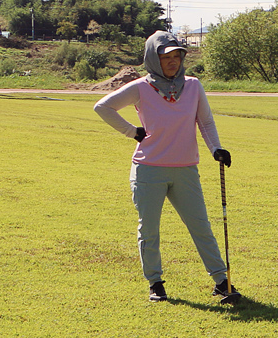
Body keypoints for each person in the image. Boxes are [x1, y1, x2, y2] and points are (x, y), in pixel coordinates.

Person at [94, 31, 238, 304]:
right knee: (149, 229)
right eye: (166, 57)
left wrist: (216, 149)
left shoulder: (193, 85)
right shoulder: (140, 87)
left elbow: (205, 122)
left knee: (200, 226)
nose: (172, 62)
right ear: (153, 58)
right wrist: (131, 131)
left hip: (185, 169)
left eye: (176, 56)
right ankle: (156, 284)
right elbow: (103, 107)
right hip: (149, 169)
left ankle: (222, 281)